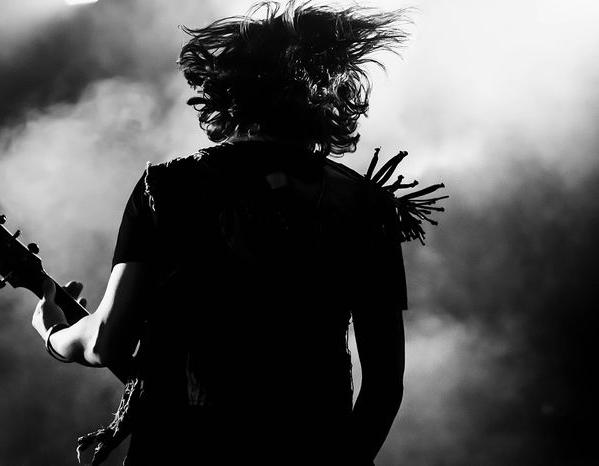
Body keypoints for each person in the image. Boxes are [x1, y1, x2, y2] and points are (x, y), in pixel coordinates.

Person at [31, 2, 445, 465]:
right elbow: (385, 384)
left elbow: (106, 341)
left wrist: (53, 333)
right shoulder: (365, 204)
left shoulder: (168, 188)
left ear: (228, 89)